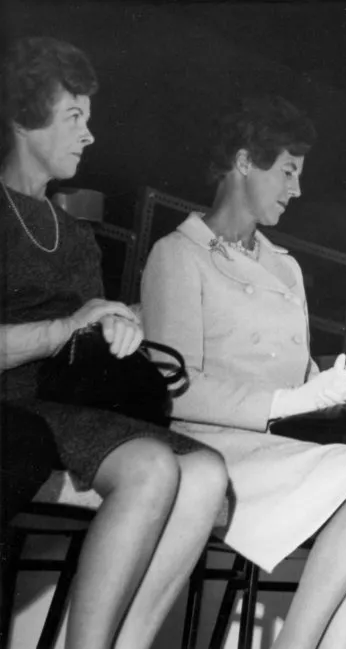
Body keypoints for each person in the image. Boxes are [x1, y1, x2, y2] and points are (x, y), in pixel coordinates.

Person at [140, 95, 346, 649]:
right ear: (245, 161)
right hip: (212, 446)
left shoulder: (285, 267)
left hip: (276, 443)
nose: (296, 189)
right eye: (287, 171)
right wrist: (291, 403)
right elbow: (173, 391)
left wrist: (329, 393)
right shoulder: (177, 255)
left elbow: (296, 374)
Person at [0, 36, 228, 648]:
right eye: (74, 116)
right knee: (153, 466)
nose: (89, 135)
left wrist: (116, 326)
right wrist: (63, 329)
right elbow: (52, 335)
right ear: (24, 118)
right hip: (13, 404)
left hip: (62, 402)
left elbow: (84, 340)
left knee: (205, 472)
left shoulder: (74, 235)